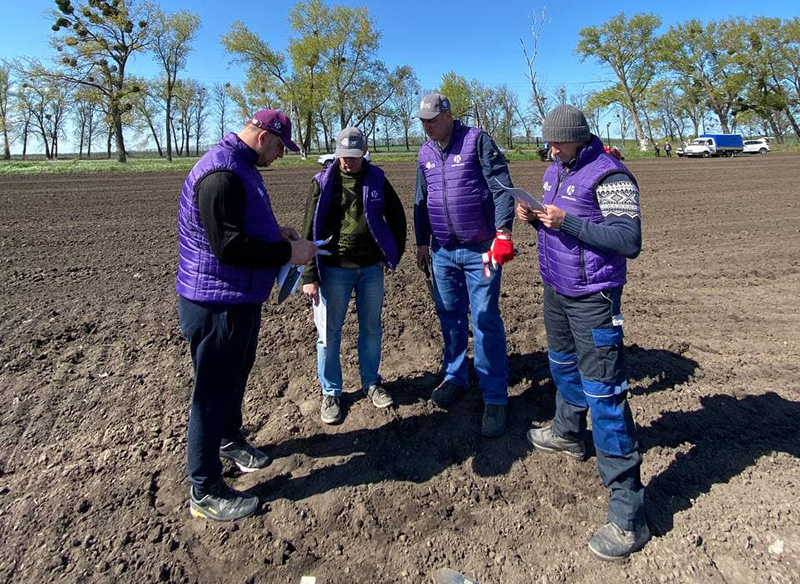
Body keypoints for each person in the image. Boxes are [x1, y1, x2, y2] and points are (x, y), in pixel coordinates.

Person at [517, 104, 650, 560]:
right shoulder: (557, 167)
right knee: (562, 366)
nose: (550, 149)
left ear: (579, 136)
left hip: (594, 299)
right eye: (549, 142)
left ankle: (629, 516)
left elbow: (627, 241)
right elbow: (558, 217)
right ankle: (568, 433)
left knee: (606, 394)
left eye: (558, 142)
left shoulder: (610, 175)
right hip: (557, 289)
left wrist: (566, 222)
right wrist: (535, 217)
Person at [176, 110, 318, 521]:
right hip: (216, 303)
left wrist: (279, 234)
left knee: (234, 378)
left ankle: (229, 439)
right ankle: (204, 490)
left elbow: (245, 227)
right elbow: (228, 246)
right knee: (211, 392)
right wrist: (286, 253)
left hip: (239, 299)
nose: (280, 155)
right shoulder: (220, 175)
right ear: (261, 135)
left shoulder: (243, 167)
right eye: (278, 146)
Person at [414, 92, 516, 437]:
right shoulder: (424, 152)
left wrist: (503, 232)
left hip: (481, 250)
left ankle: (495, 395)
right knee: (450, 316)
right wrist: (421, 243)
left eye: (433, 120)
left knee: (485, 318)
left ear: (448, 115)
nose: (428, 127)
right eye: (423, 122)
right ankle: (455, 375)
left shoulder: (477, 141)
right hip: (443, 251)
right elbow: (420, 200)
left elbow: (502, 188)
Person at [301, 127, 407, 424]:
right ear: (337, 153)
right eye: (344, 156)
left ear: (364, 152)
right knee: (328, 334)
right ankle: (331, 391)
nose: (349, 161)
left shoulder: (377, 178)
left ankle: (371, 383)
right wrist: (310, 274)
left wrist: (392, 254)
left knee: (371, 328)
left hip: (371, 269)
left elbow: (397, 216)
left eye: (355, 156)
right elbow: (309, 226)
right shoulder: (323, 182)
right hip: (334, 270)